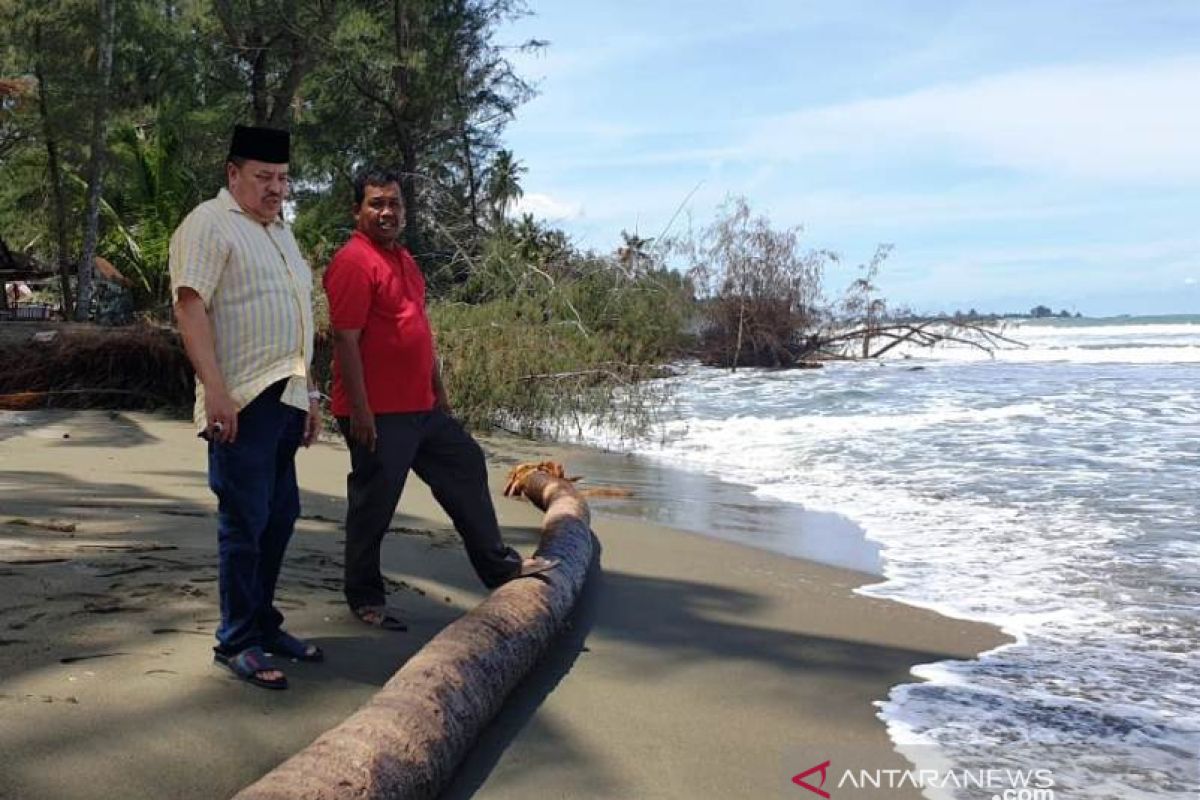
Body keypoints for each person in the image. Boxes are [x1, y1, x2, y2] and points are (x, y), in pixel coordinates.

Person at [323, 166, 556, 630]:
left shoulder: (405, 261)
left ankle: (498, 566)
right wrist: (362, 411)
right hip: (378, 413)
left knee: (465, 462)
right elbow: (345, 340)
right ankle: (364, 597)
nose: (387, 211)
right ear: (357, 211)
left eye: (394, 203)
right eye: (376, 203)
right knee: (375, 504)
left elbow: (418, 330)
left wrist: (439, 390)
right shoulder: (353, 261)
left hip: (422, 407)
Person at [169, 125, 323, 690]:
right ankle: (236, 640)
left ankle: (263, 623)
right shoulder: (209, 224)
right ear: (232, 174)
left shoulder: (281, 233)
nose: (275, 189)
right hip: (240, 398)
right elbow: (190, 306)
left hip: (285, 396)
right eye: (263, 177)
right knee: (244, 521)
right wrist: (215, 389)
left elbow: (298, 320)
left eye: (282, 178)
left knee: (280, 517)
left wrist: (310, 395)